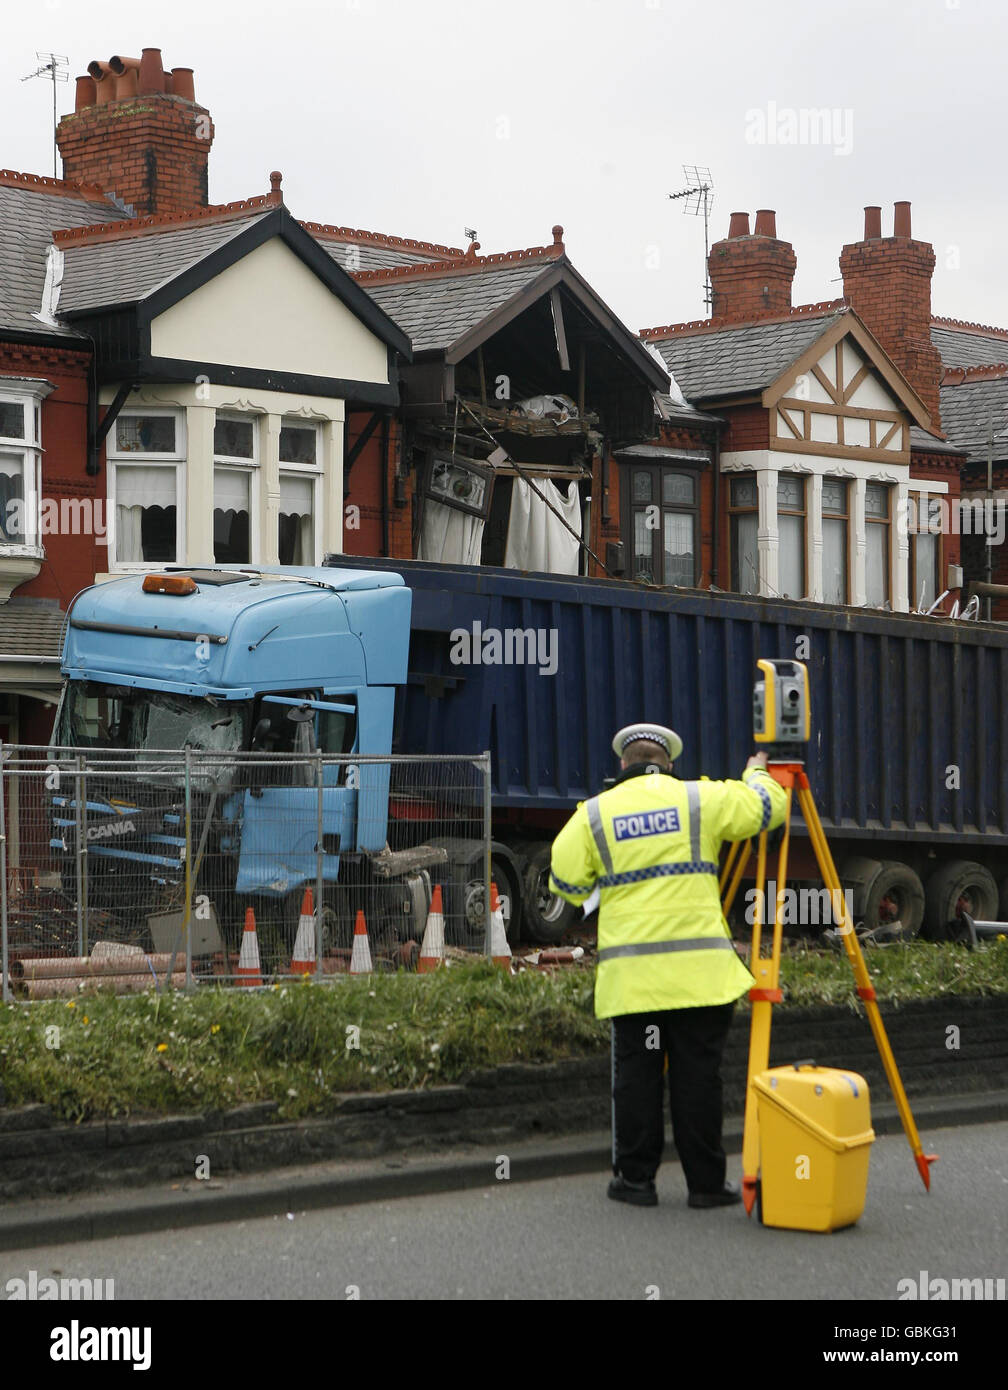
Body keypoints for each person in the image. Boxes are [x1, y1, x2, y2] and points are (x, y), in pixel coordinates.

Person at [549, 722, 787, 1208]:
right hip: (701, 977)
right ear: (669, 763)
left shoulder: (594, 814)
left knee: (636, 1080)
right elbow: (770, 808)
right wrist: (756, 772)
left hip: (635, 982)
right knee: (699, 1078)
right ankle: (705, 1186)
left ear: (623, 764)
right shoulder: (701, 799)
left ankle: (636, 1182)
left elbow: (565, 884)